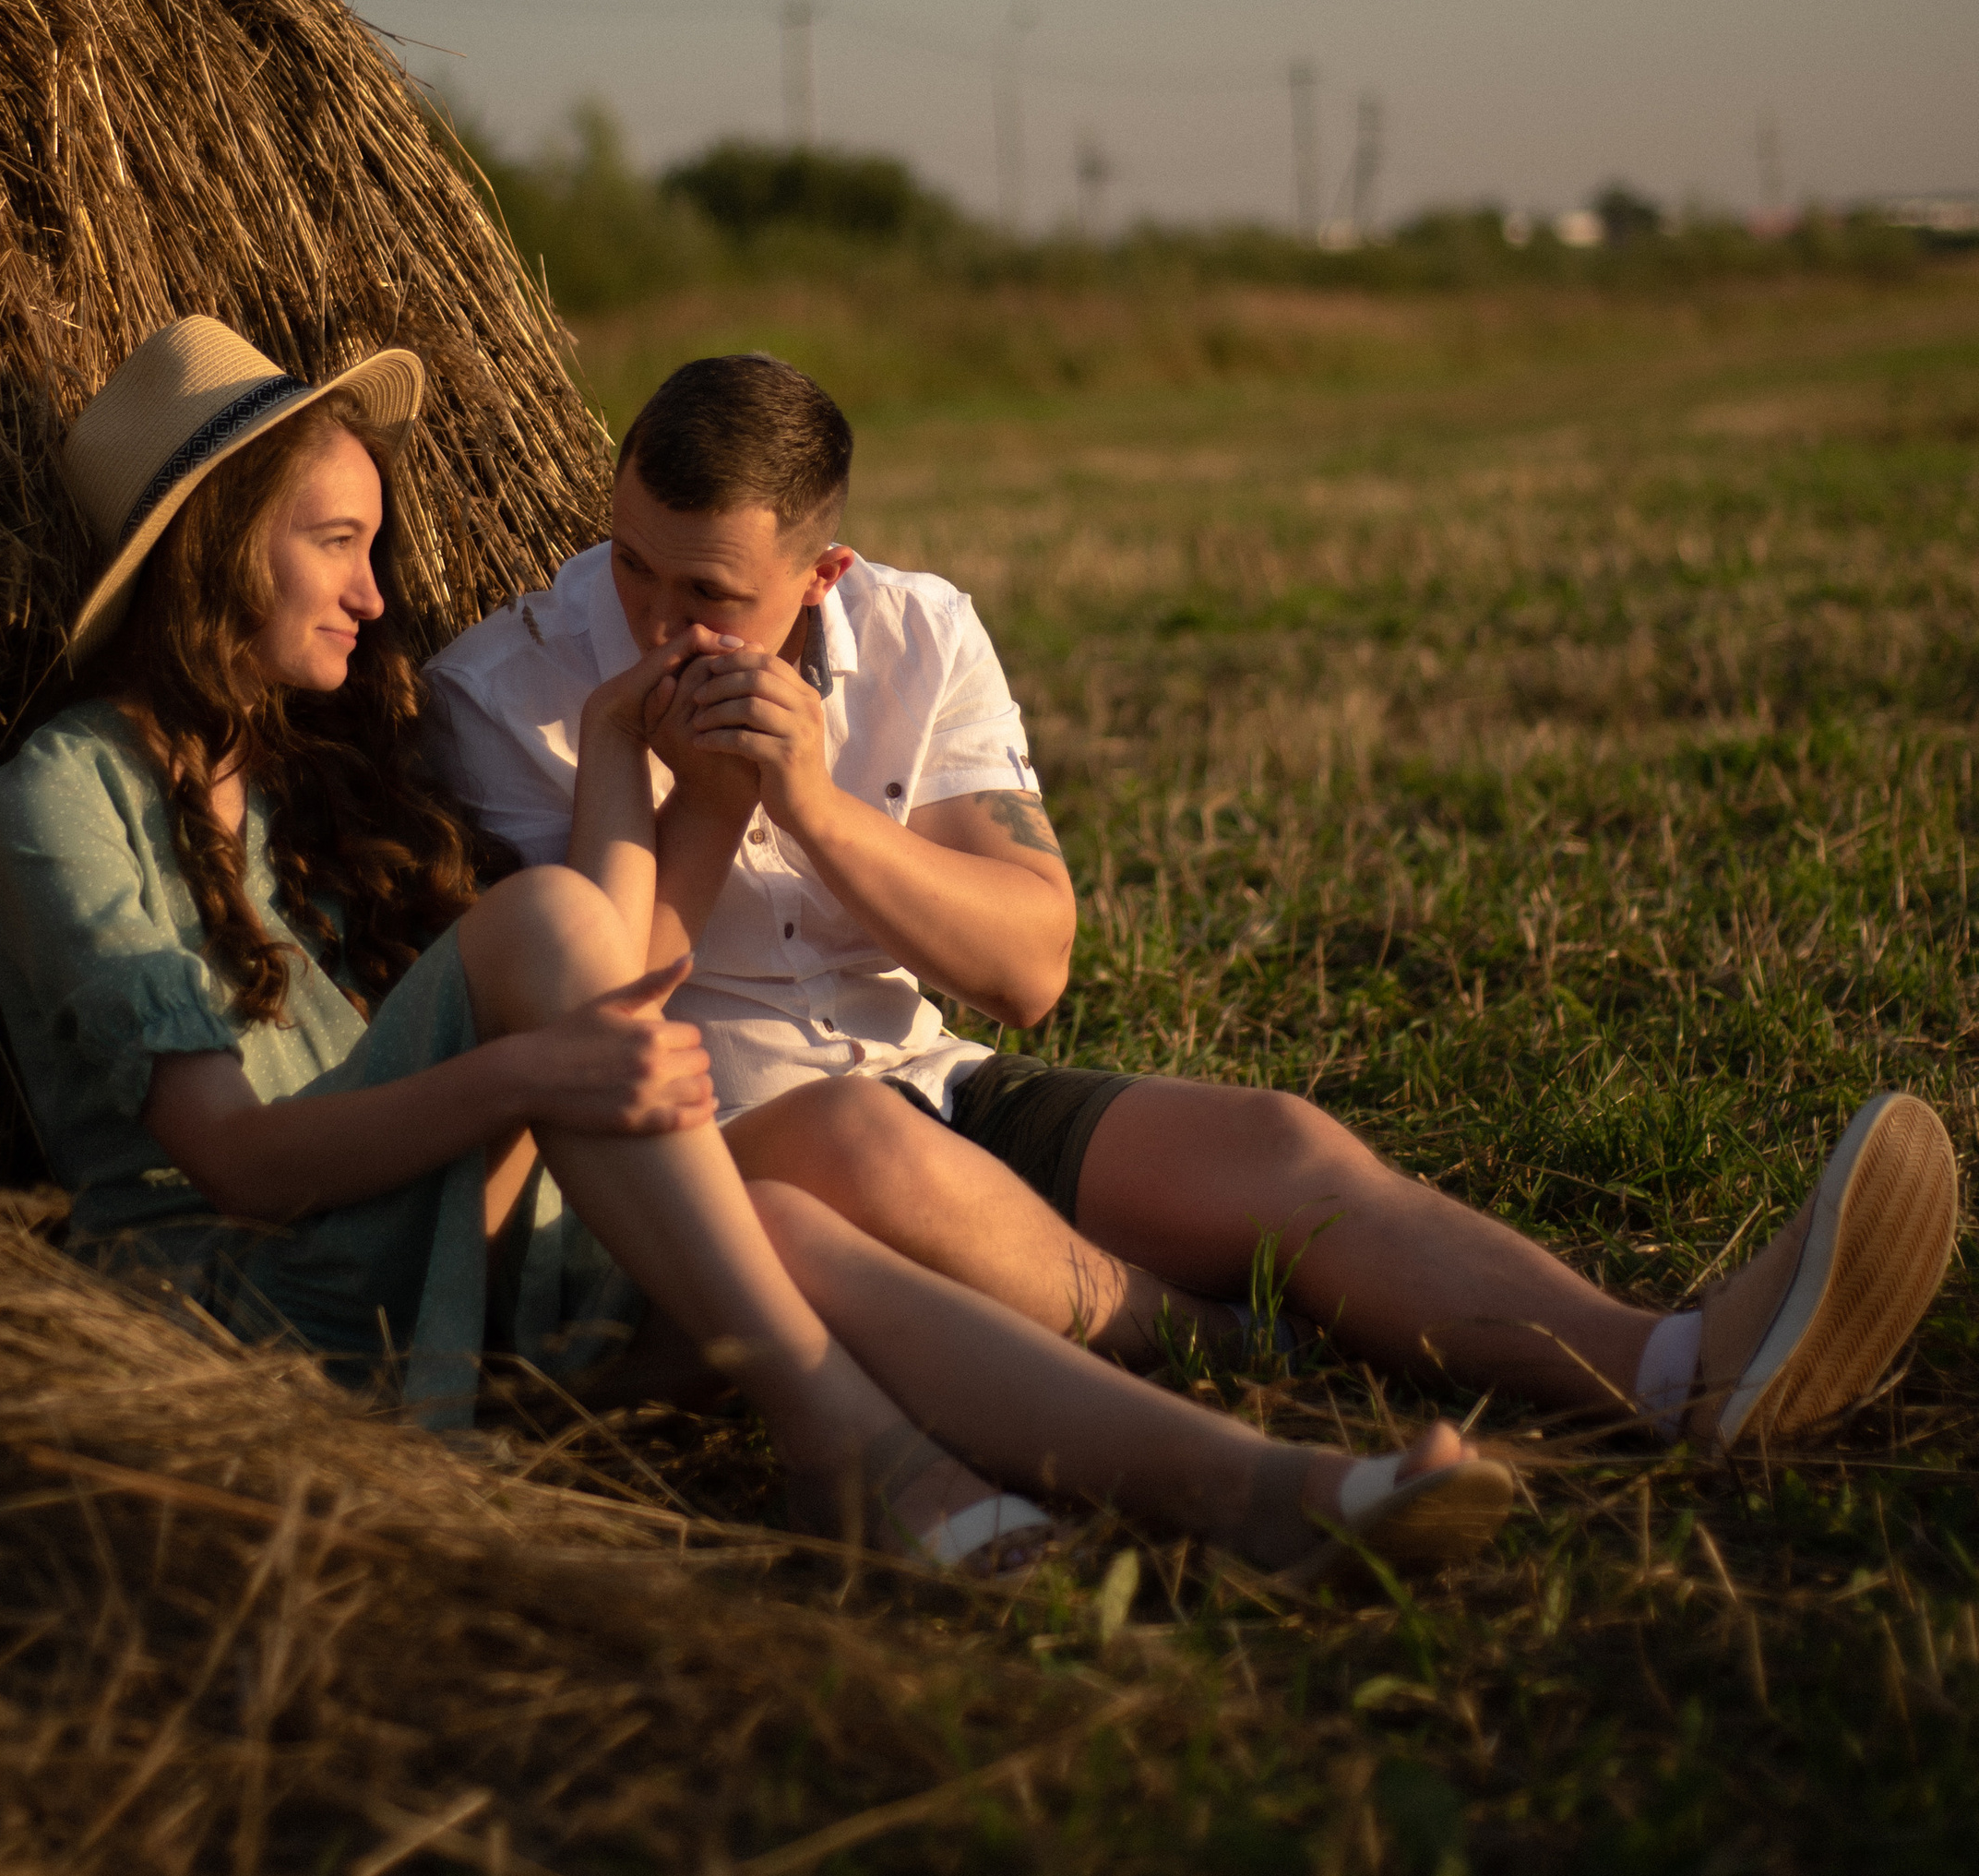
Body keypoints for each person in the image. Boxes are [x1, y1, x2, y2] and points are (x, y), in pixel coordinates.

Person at [0, 316, 1519, 1588]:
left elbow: (620, 993)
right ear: (216, 548)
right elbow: (241, 1165)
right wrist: (524, 1071)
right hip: (263, 1295)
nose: (380, 597)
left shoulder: (322, 779)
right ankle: (851, 1442)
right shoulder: (61, 799)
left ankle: (1265, 1488)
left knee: (782, 1220)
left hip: (463, 1246)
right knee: (553, 935)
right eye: (337, 544)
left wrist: (664, 780)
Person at [424, 352, 1961, 1456]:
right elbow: (590, 1015)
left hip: (931, 1079)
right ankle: (1232, 1343)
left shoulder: (917, 631)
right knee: (862, 1143)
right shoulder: (502, 693)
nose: (653, 618)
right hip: (714, 1158)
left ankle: (1677, 1367)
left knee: (1279, 1144)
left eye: (709, 595)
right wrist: (701, 798)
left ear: (822, 572)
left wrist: (817, 808)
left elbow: (1029, 965)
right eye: (631, 563)